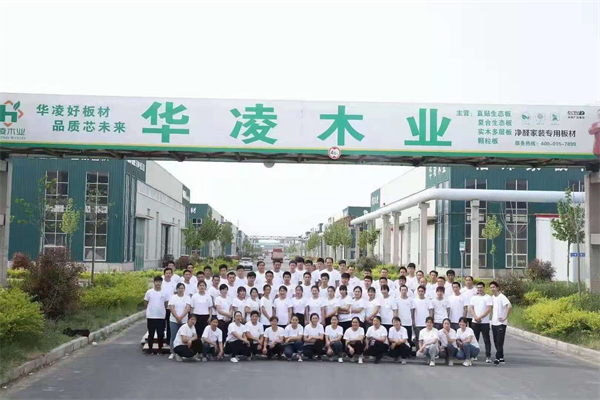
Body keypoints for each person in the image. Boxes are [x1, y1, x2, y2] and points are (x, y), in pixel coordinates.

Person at [469, 282, 493, 363]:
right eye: (478, 288)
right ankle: (474, 355)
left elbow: (488, 309)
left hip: (484, 322)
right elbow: (471, 308)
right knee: (474, 339)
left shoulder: (488, 297)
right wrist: (475, 317)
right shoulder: (473, 297)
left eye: (481, 287)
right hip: (475, 321)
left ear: (484, 288)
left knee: (486, 340)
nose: (479, 289)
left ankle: (488, 356)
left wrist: (480, 317)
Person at [490, 281, 512, 366]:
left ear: (497, 288)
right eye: (491, 287)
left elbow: (509, 306)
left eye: (494, 287)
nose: (492, 289)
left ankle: (497, 358)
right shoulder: (493, 297)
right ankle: (501, 357)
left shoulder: (502, 297)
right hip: (494, 322)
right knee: (496, 341)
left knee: (499, 341)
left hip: (501, 323)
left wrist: (505, 317)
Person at [144, 276, 168, 355]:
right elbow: (146, 302)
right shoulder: (149, 292)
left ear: (161, 283)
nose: (158, 283)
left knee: (160, 334)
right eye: (156, 282)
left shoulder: (164, 292)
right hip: (151, 316)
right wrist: (150, 310)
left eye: (159, 282)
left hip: (161, 316)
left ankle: (160, 349)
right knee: (151, 333)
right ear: (154, 282)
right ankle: (150, 349)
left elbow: (166, 303)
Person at [168, 283, 191, 360]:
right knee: (173, 336)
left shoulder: (187, 297)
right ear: (177, 289)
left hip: (184, 320)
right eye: (179, 288)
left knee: (183, 337)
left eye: (182, 288)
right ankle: (172, 352)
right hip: (173, 320)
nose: (181, 290)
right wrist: (177, 317)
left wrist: (181, 317)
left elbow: (187, 308)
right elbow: (172, 308)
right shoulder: (173, 297)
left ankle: (182, 353)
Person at [190, 280, 213, 352]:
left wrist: (210, 317)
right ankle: (196, 351)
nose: (202, 287)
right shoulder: (194, 296)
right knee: (196, 334)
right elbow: (192, 308)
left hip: (205, 316)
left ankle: (204, 352)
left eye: (203, 285)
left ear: (205, 287)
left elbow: (210, 308)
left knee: (204, 334)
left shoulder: (208, 296)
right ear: (198, 287)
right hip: (196, 316)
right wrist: (191, 318)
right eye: (200, 285)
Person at [396, 285, 415, 349]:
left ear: (407, 291)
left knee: (408, 338)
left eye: (405, 290)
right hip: (400, 323)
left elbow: (412, 311)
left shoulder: (410, 300)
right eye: (402, 290)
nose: (404, 291)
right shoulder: (397, 300)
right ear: (400, 291)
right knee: (400, 338)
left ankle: (409, 352)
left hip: (408, 322)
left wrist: (412, 320)